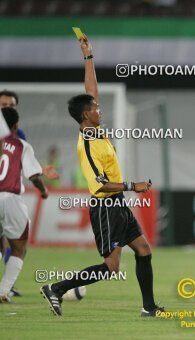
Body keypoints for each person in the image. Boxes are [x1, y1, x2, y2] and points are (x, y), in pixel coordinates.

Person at [40, 34, 163, 317]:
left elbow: (90, 89)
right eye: (94, 108)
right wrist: (134, 185)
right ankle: (56, 289)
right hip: (106, 206)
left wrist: (88, 57)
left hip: (117, 203)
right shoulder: (88, 144)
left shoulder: (95, 130)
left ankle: (149, 308)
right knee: (111, 268)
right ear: (85, 116)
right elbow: (100, 184)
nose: (99, 108)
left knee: (144, 250)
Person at [0, 90, 59, 298]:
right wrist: (43, 190)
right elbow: (32, 174)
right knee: (19, 248)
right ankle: (4, 291)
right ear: (15, 125)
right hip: (10, 198)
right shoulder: (21, 143)